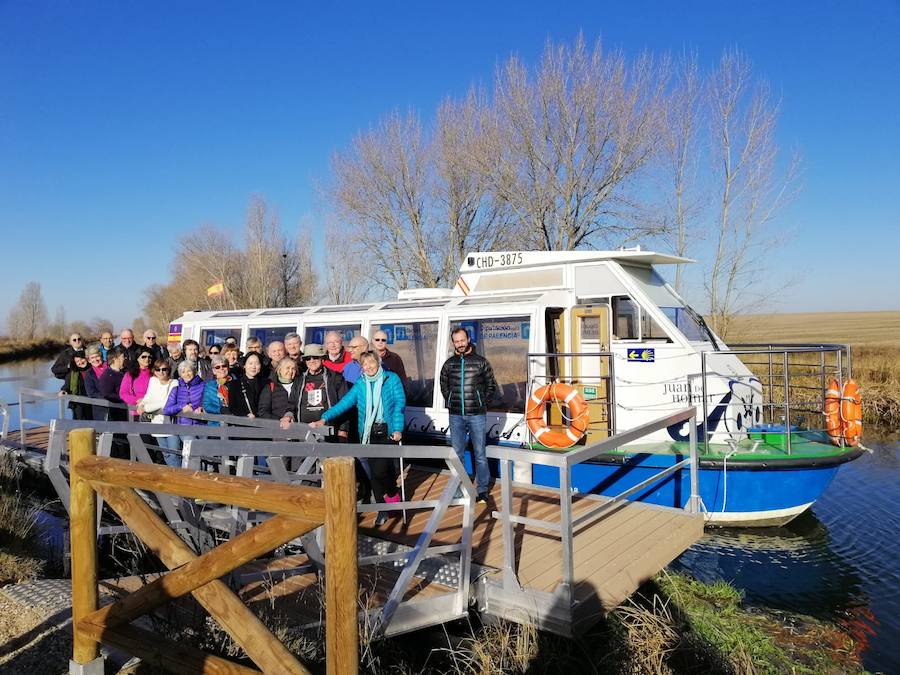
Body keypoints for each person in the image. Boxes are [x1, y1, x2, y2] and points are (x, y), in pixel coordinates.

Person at [312, 351, 405, 524]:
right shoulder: (361, 384)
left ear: (378, 363)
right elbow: (345, 403)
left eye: (372, 363)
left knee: (381, 470)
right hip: (368, 433)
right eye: (365, 364)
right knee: (376, 473)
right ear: (361, 367)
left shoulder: (391, 379)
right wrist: (325, 417)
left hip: (388, 431)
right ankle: (382, 509)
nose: (369, 367)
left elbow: (399, 405)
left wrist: (398, 429)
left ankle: (392, 495)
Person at [439, 327, 499, 504]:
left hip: (476, 415)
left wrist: (482, 402)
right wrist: (450, 400)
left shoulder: (481, 362)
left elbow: (491, 386)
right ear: (453, 343)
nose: (460, 344)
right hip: (456, 415)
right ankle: (459, 488)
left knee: (479, 453)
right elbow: (444, 385)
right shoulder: (449, 364)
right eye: (456, 341)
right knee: (457, 453)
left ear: (468, 339)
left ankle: (482, 489)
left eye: (462, 340)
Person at [296, 344, 348, 440]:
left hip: (329, 432)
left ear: (322, 359)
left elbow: (344, 405)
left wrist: (343, 429)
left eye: (315, 357)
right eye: (308, 358)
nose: (311, 361)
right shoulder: (299, 380)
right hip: (304, 432)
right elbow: (292, 404)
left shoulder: (336, 378)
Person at [138, 359, 181, 467]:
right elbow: (148, 396)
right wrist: (142, 404)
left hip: (171, 424)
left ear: (169, 370)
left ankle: (178, 477)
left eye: (164, 369)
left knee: (174, 453)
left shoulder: (174, 383)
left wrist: (146, 408)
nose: (161, 372)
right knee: (165, 453)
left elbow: (166, 402)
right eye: (158, 369)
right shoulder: (153, 380)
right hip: (156, 422)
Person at [98, 346, 129, 457]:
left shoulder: (123, 372)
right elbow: (107, 394)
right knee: (119, 442)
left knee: (126, 439)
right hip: (115, 414)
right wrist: (125, 398)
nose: (125, 358)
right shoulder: (108, 376)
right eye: (122, 356)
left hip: (126, 415)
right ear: (115, 359)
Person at [163, 361, 207, 441]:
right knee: (193, 449)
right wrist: (181, 406)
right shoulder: (176, 388)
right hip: (184, 428)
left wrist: (200, 408)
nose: (186, 374)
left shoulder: (204, 385)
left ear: (194, 371)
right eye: (183, 372)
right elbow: (166, 410)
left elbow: (206, 403)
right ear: (180, 375)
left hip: (202, 426)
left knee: (206, 451)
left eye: (189, 371)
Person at [258, 358, 301, 428]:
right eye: (287, 368)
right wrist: (280, 420)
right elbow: (263, 412)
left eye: (293, 369)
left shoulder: (300, 385)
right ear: (280, 370)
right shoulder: (270, 387)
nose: (290, 371)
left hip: (298, 428)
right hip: (277, 430)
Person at [223, 352, 264, 418]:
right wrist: (246, 414)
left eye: (257, 363)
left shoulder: (265, 384)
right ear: (244, 365)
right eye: (250, 363)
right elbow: (233, 407)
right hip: (243, 423)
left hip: (263, 423)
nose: (253, 366)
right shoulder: (235, 384)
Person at [119, 347, 154, 419]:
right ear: (137, 358)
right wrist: (137, 400)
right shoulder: (130, 374)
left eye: (149, 357)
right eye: (143, 357)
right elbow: (123, 393)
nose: (147, 359)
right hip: (135, 412)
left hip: (152, 411)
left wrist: (146, 401)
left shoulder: (155, 374)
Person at [59, 350, 91, 420]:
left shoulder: (93, 369)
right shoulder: (73, 373)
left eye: (82, 359)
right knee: (79, 424)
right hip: (78, 404)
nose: (80, 362)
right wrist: (64, 390)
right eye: (77, 361)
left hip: (92, 403)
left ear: (86, 358)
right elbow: (66, 385)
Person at [83, 344, 108, 420]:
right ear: (89, 360)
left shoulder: (111, 366)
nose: (95, 359)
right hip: (101, 408)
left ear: (101, 356)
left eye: (97, 356)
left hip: (118, 406)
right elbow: (91, 393)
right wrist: (107, 397)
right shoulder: (89, 374)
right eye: (92, 358)